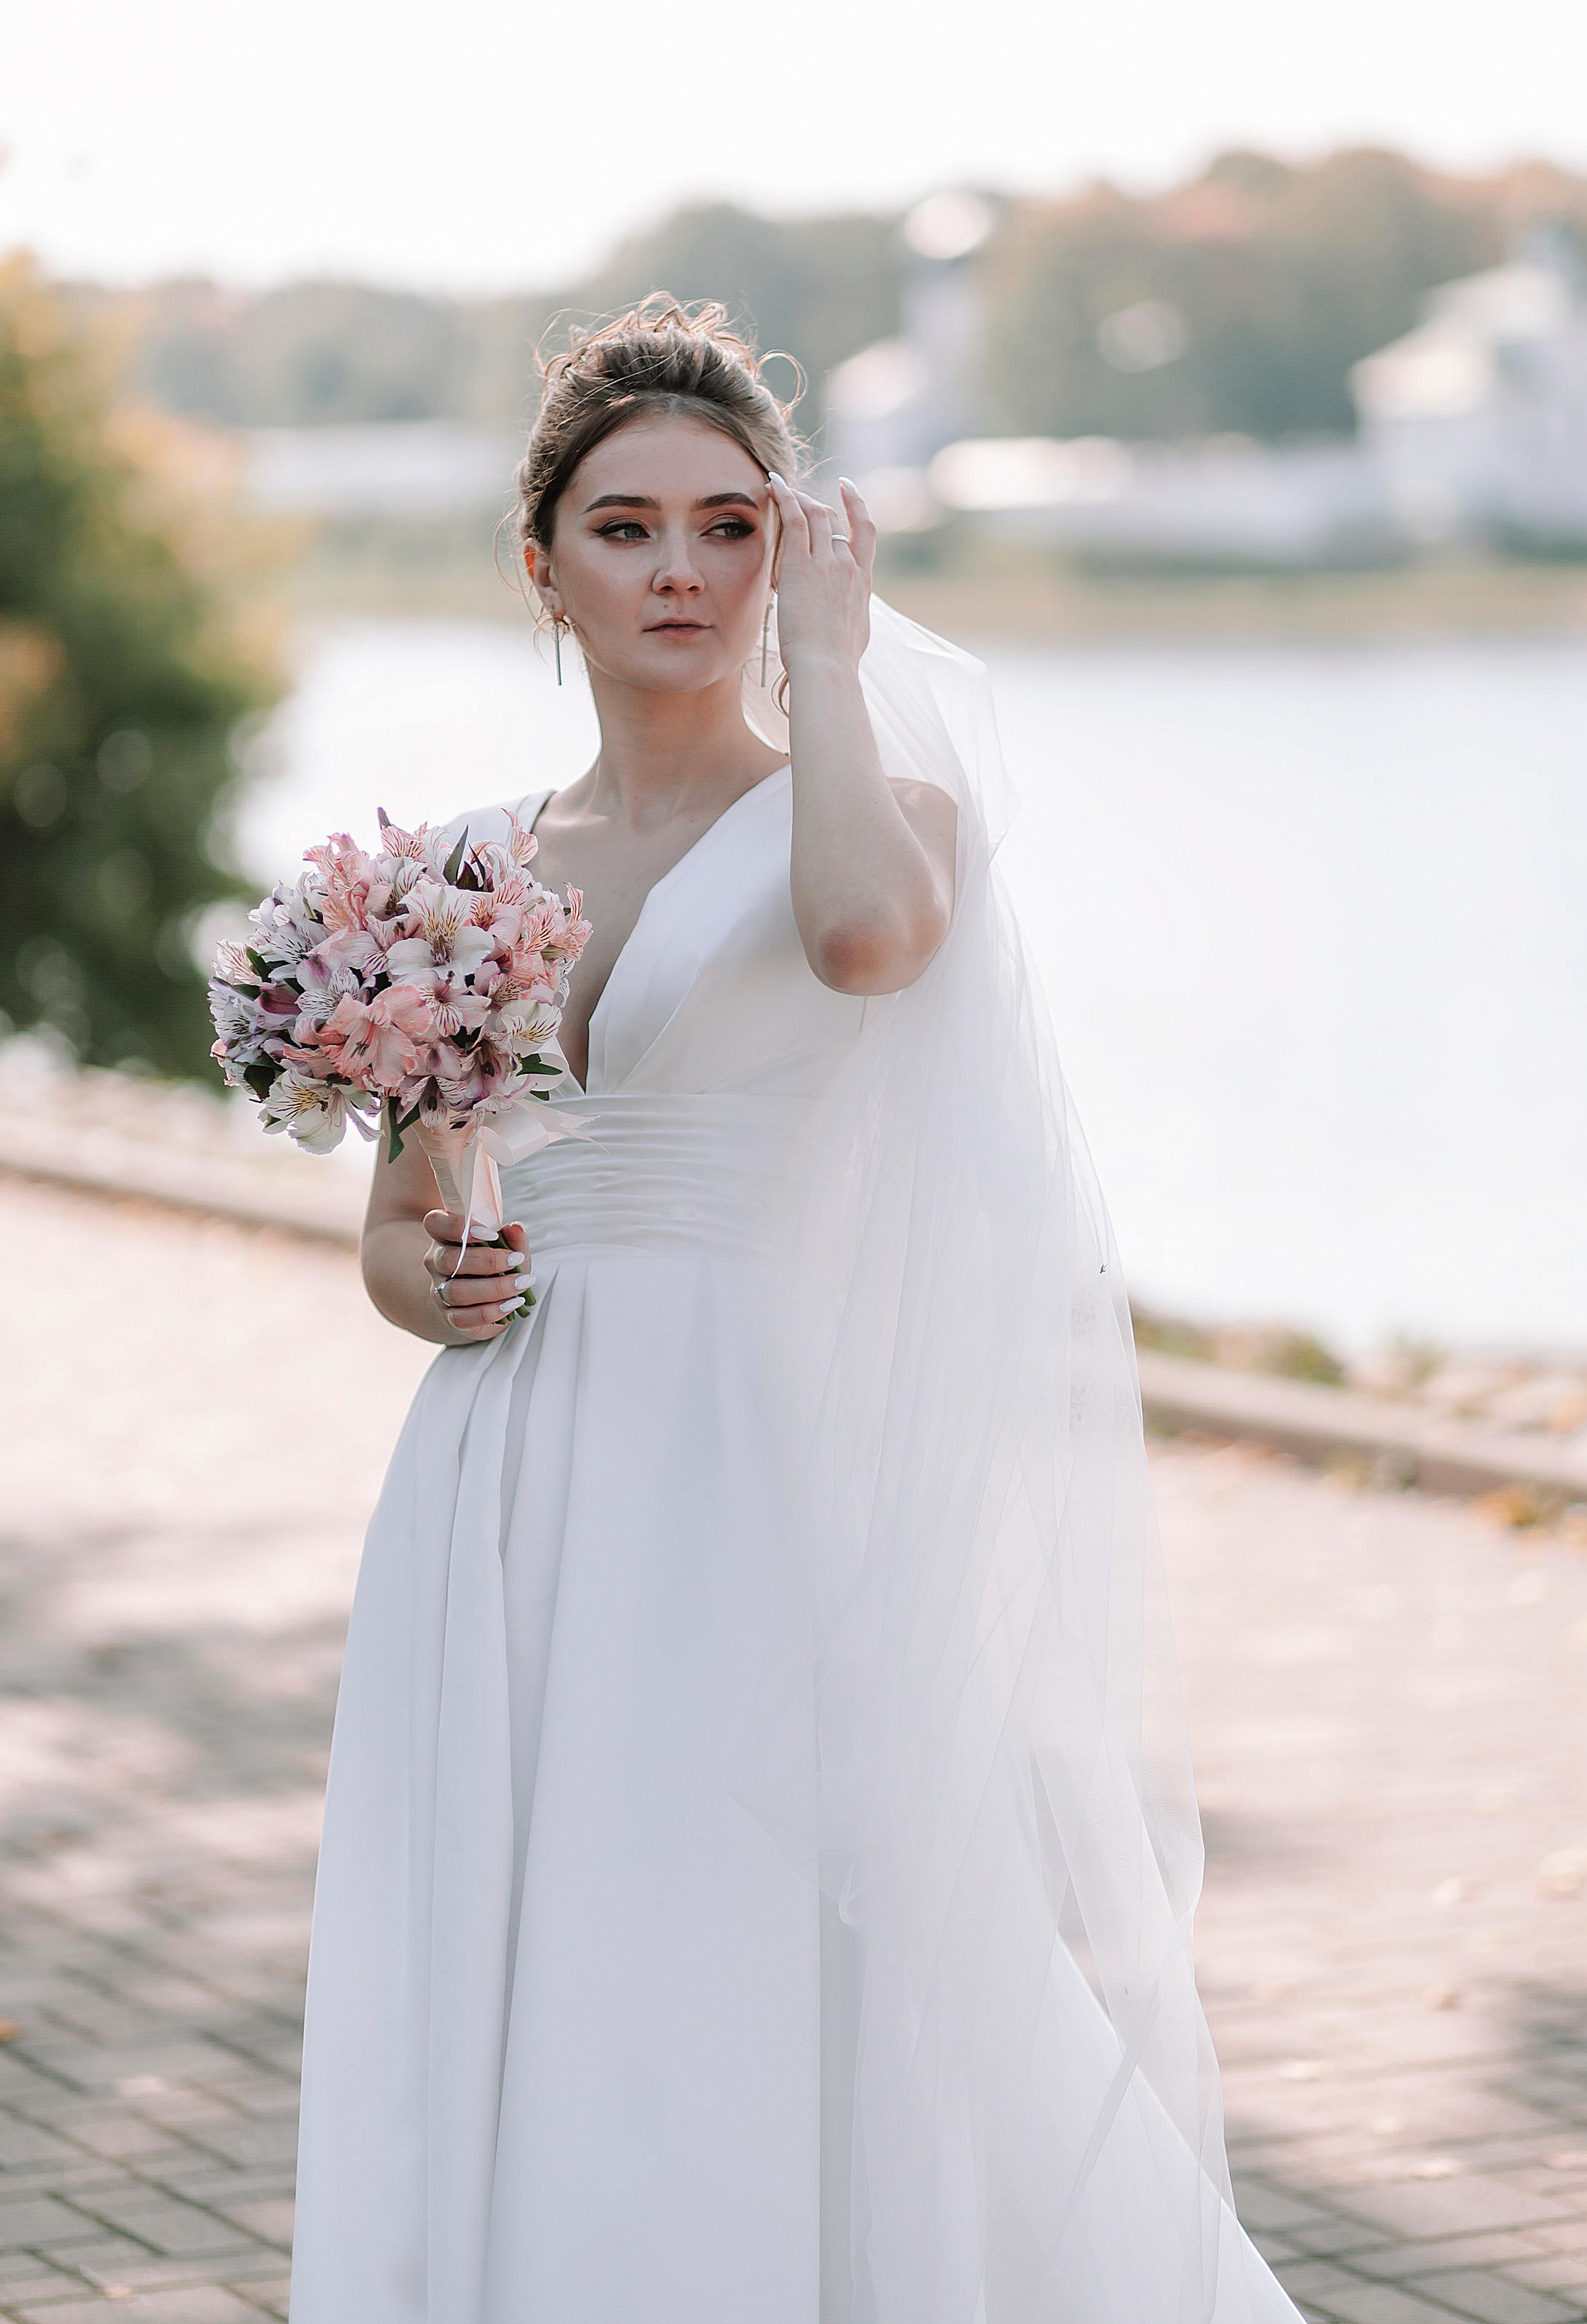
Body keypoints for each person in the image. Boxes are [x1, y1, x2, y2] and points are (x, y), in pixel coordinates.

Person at [289, 297, 1298, 2323]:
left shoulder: (883, 814)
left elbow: (855, 946)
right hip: (506, 1463)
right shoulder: (455, 871)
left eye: (729, 529)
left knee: (742, 1914)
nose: (680, 572)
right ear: (541, 568)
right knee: (512, 1920)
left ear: (793, 547)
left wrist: (827, 669)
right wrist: (442, 1279)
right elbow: (401, 1229)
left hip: (752, 1459)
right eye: (627, 528)